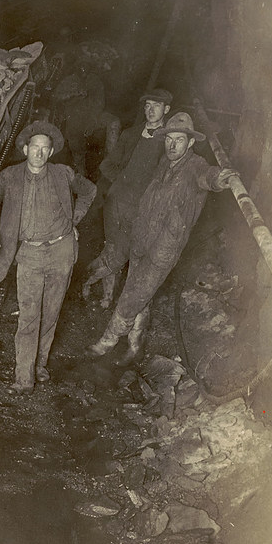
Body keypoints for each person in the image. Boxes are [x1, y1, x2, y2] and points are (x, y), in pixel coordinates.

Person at [87, 112, 237, 362]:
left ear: (190, 143)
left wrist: (222, 178)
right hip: (141, 240)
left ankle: (108, 340)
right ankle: (135, 345)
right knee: (140, 295)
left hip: (163, 250)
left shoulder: (194, 166)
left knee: (134, 295)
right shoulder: (164, 164)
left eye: (179, 140)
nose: (172, 145)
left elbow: (209, 177)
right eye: (169, 139)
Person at [0, 120, 97, 394]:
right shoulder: (9, 177)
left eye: (45, 148)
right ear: (25, 148)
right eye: (34, 147)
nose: (39, 153)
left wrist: (73, 220)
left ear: (50, 153)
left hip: (61, 251)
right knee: (29, 315)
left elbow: (90, 191)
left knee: (51, 312)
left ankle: (39, 365)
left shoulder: (63, 173)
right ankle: (23, 377)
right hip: (28, 253)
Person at [81, 87, 173, 308]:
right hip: (118, 203)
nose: (150, 111)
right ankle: (105, 296)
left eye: (156, 106)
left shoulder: (170, 141)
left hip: (144, 207)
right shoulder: (130, 134)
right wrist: (121, 182)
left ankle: (87, 280)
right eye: (147, 106)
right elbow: (107, 165)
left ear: (166, 109)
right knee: (114, 247)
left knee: (125, 250)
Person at [52, 54, 120, 176]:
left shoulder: (95, 80)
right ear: (76, 67)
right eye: (81, 65)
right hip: (73, 117)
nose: (83, 68)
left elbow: (100, 102)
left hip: (94, 116)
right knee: (76, 143)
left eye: (86, 66)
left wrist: (93, 120)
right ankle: (80, 171)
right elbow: (56, 96)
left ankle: (109, 163)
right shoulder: (69, 80)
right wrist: (74, 93)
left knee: (114, 122)